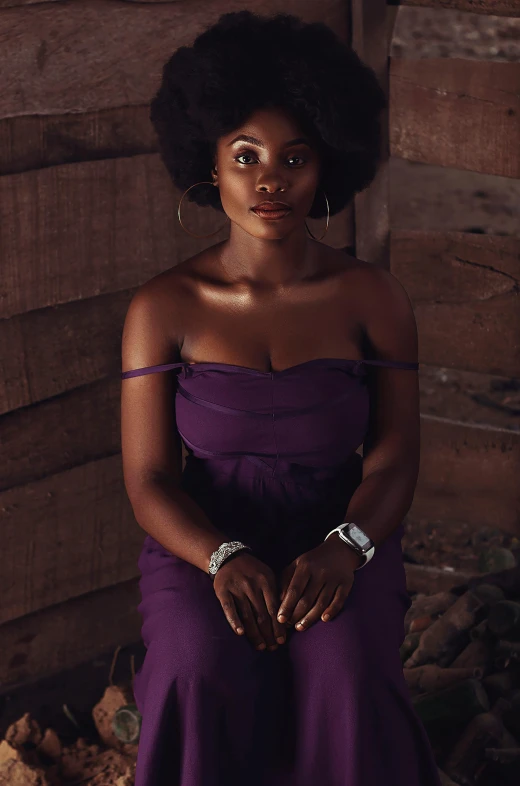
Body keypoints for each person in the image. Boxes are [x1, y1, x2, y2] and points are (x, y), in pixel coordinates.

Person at [120, 10, 442, 786]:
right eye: (246, 156)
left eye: (294, 158)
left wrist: (350, 545)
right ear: (211, 165)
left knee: (348, 676)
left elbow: (396, 456)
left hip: (340, 538)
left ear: (328, 165)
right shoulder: (163, 307)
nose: (270, 181)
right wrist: (221, 557)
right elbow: (149, 480)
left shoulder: (373, 297)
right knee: (194, 669)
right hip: (206, 542)